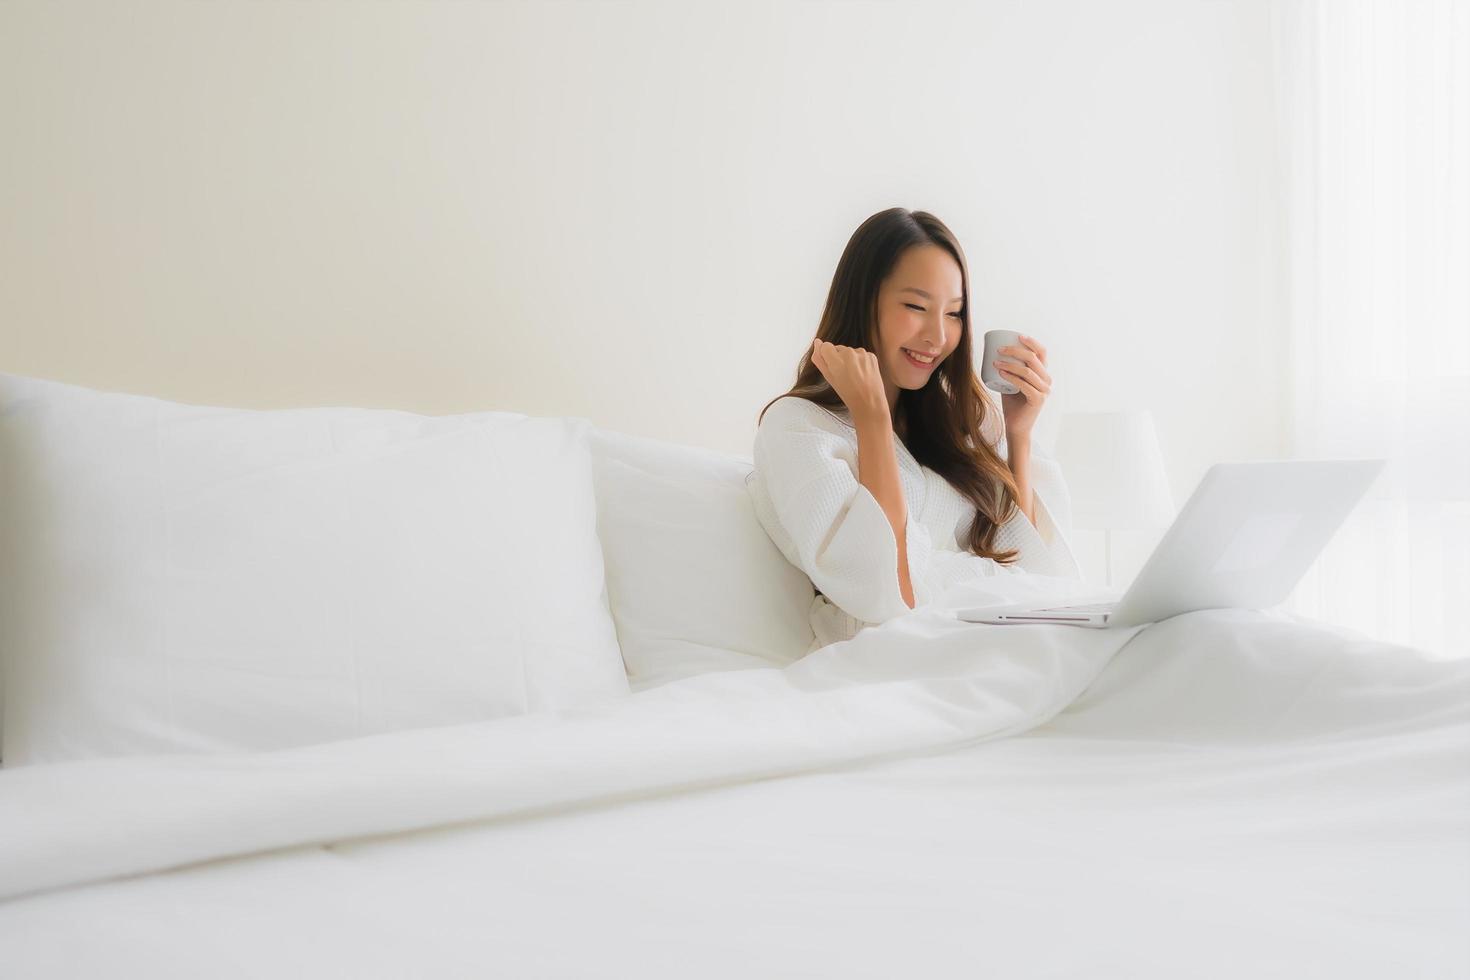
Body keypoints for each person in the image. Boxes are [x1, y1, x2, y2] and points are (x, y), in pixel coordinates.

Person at [746, 207, 1084, 654]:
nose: (937, 337)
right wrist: (872, 421)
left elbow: (1038, 575)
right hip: (888, 660)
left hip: (997, 643)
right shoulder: (798, 427)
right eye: (915, 307)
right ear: (864, 300)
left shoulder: (963, 425)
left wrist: (1018, 436)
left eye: (954, 314)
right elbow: (883, 590)